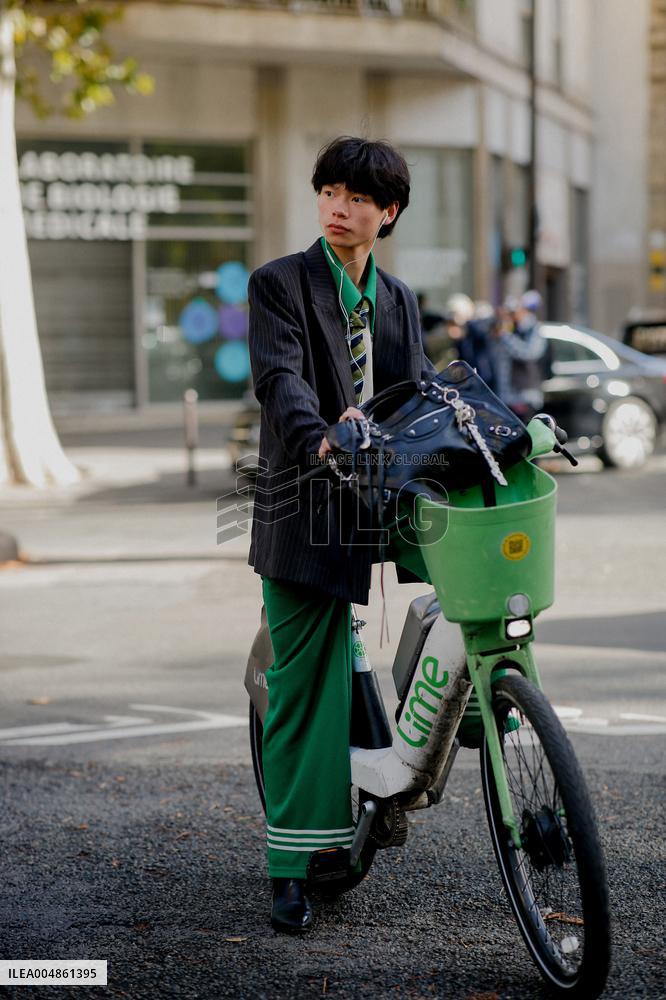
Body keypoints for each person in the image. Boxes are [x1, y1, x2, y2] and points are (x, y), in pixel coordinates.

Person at [246, 137, 436, 934]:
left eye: (358, 198)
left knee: (466, 611)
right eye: (329, 191)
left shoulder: (397, 300)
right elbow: (280, 380)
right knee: (302, 692)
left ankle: (422, 757)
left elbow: (417, 394)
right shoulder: (280, 283)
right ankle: (292, 867)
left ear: (387, 213)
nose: (338, 208)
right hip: (304, 505)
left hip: (379, 505)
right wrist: (321, 435)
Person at [493, 289, 547, 420]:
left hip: (525, 396)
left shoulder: (532, 329)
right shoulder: (509, 329)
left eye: (513, 312)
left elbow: (530, 353)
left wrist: (506, 336)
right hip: (506, 398)